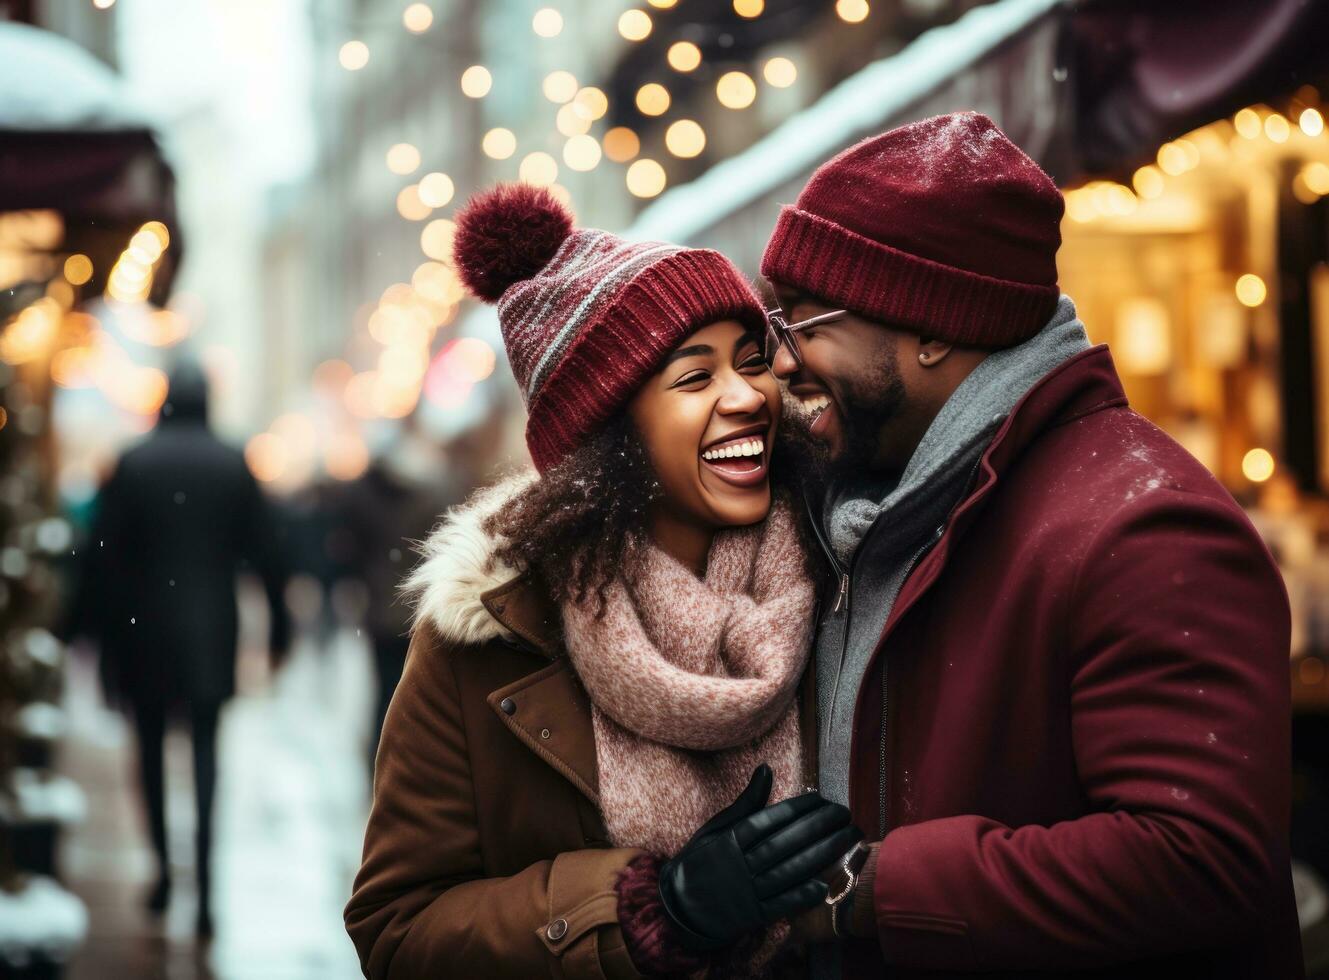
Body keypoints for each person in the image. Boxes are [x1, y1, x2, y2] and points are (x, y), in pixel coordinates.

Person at [758, 111, 1302, 977]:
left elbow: (1203, 856)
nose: (780, 362)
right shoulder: (885, 501)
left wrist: (867, 893)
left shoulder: (1140, 525)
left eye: (803, 322)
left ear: (929, 325)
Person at [344, 183, 862, 979]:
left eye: (751, 360)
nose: (747, 396)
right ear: (611, 431)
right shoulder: (492, 635)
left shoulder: (847, 574)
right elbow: (397, 929)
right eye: (694, 378)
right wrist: (653, 911)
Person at [63, 360, 290, 937]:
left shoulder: (133, 464)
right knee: (208, 756)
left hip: (143, 633)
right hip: (212, 630)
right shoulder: (233, 463)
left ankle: (164, 873)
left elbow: (102, 561)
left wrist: (84, 633)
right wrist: (283, 627)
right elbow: (268, 553)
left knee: (149, 754)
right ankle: (208, 889)